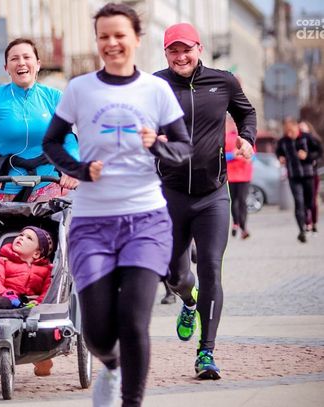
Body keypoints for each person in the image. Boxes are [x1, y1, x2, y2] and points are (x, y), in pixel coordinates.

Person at [43, 3, 192, 405]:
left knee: (133, 320)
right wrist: (79, 169)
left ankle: (130, 401)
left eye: (119, 35)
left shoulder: (156, 91)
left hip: (146, 220)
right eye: (104, 36)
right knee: (96, 332)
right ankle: (111, 366)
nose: (112, 43)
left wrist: (157, 145)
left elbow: (184, 149)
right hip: (92, 222)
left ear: (137, 39)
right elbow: (51, 142)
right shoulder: (80, 89)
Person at [154, 22, 256, 380]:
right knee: (174, 273)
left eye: (187, 49)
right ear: (166, 53)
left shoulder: (224, 82)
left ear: (200, 48)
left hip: (213, 194)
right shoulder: (154, 85)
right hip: (170, 194)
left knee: (211, 267)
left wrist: (247, 138)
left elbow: (246, 113)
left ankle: (206, 352)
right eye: (174, 50)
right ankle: (188, 300)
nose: (181, 56)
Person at [0, 38, 79, 202]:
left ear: (38, 64)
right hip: (1, 188)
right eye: (14, 59)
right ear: (6, 68)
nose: (21, 63)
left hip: (47, 186)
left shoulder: (54, 97)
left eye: (27, 57)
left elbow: (68, 138)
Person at [0, 226, 54, 376]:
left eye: (29, 238)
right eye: (21, 234)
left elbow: (48, 290)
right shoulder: (1, 261)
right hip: (7, 303)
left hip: (33, 305)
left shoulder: (47, 270)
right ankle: (5, 345)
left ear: (36, 253)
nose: (21, 237)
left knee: (41, 320)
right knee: (2, 304)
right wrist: (6, 294)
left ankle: (41, 357)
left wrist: (39, 302)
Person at [276, 118, 322, 243]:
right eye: (287, 132)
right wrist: (280, 158)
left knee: (310, 202)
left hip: (308, 174)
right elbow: (278, 152)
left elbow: (319, 151)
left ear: (296, 128)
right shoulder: (283, 141)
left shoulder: (307, 137)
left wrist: (308, 156)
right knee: (298, 202)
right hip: (293, 176)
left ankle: (311, 222)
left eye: (291, 131)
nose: (290, 134)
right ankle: (301, 230)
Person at [225, 116, 253, 239]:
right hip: (232, 175)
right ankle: (236, 223)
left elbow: (253, 155)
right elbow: (221, 155)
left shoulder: (246, 139)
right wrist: (232, 155)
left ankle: (243, 227)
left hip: (244, 175)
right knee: (234, 201)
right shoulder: (227, 137)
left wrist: (248, 158)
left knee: (242, 201)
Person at [298, 120, 322, 234]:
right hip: (300, 174)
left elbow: (319, 153)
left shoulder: (314, 140)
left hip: (312, 174)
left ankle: (314, 222)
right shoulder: (296, 141)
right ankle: (307, 222)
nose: (302, 131)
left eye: (304, 128)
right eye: (300, 129)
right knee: (302, 199)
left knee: (312, 199)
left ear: (309, 129)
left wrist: (310, 157)